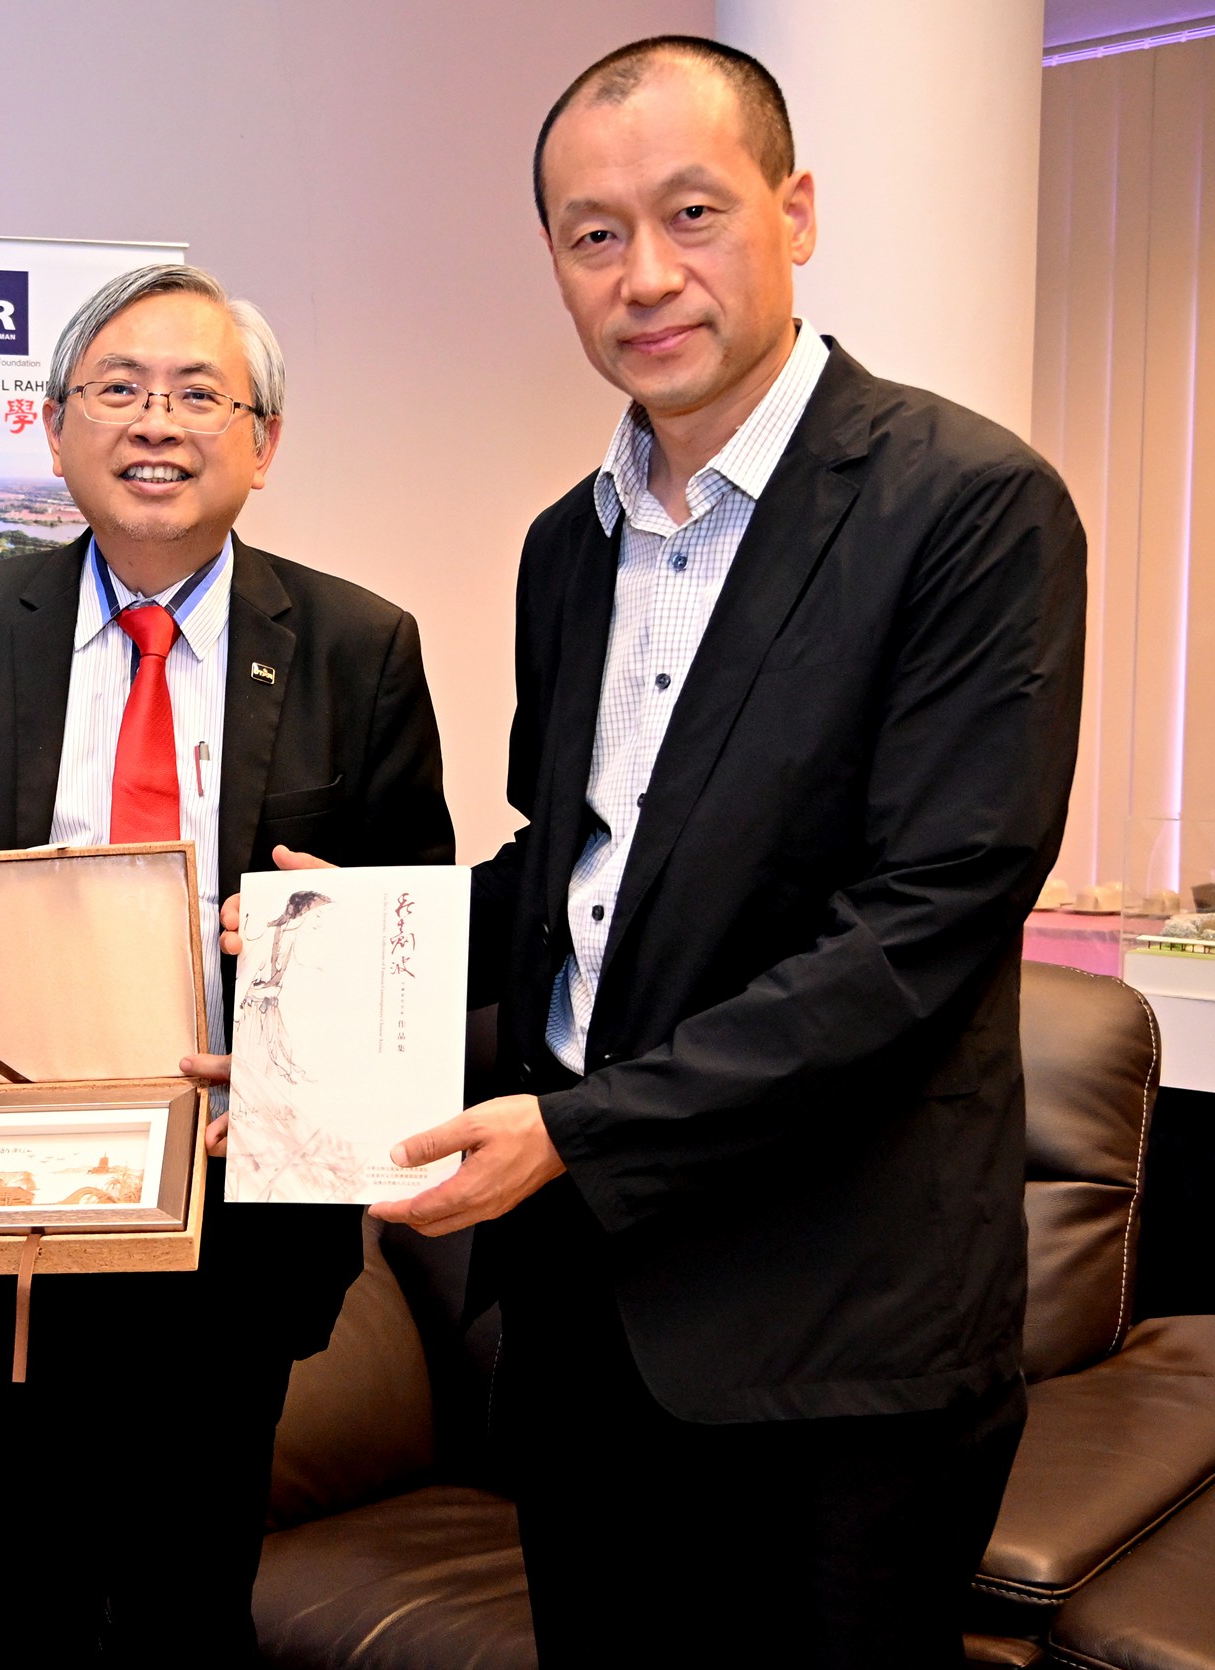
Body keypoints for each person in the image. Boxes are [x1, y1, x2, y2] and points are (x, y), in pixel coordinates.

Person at [342, 36, 1083, 1666]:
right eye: (591, 234)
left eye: (691, 211)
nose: (644, 274)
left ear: (793, 209)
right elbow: (570, 871)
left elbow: (922, 925)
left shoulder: (966, 507)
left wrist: (575, 1130)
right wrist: (321, 967)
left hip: (836, 1340)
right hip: (587, 1315)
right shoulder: (568, 542)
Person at [0, 264, 456, 1666]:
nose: (155, 423)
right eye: (117, 390)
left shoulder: (358, 647)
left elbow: (409, 937)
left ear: (263, 439)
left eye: (197, 393)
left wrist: (329, 974)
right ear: (55, 427)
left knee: (185, 1600)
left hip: (228, 1210)